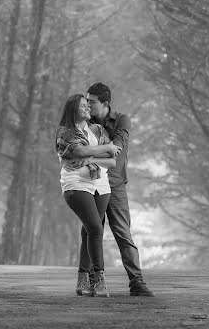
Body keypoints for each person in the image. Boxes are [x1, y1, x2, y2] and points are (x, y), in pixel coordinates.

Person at [84, 82, 155, 297]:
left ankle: (137, 283)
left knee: (123, 234)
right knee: (90, 233)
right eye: (86, 101)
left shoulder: (122, 120)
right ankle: (92, 282)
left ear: (105, 103)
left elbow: (116, 149)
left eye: (92, 102)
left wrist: (87, 155)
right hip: (92, 183)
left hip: (114, 185)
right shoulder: (85, 121)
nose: (87, 106)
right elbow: (74, 146)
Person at [55, 93, 120, 297]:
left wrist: (94, 154)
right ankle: (98, 280)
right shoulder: (65, 131)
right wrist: (104, 149)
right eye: (83, 106)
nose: (87, 108)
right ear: (73, 109)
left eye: (88, 105)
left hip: (100, 185)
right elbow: (79, 152)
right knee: (95, 229)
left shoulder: (97, 129)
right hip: (76, 184)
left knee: (88, 232)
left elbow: (112, 159)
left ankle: (83, 281)